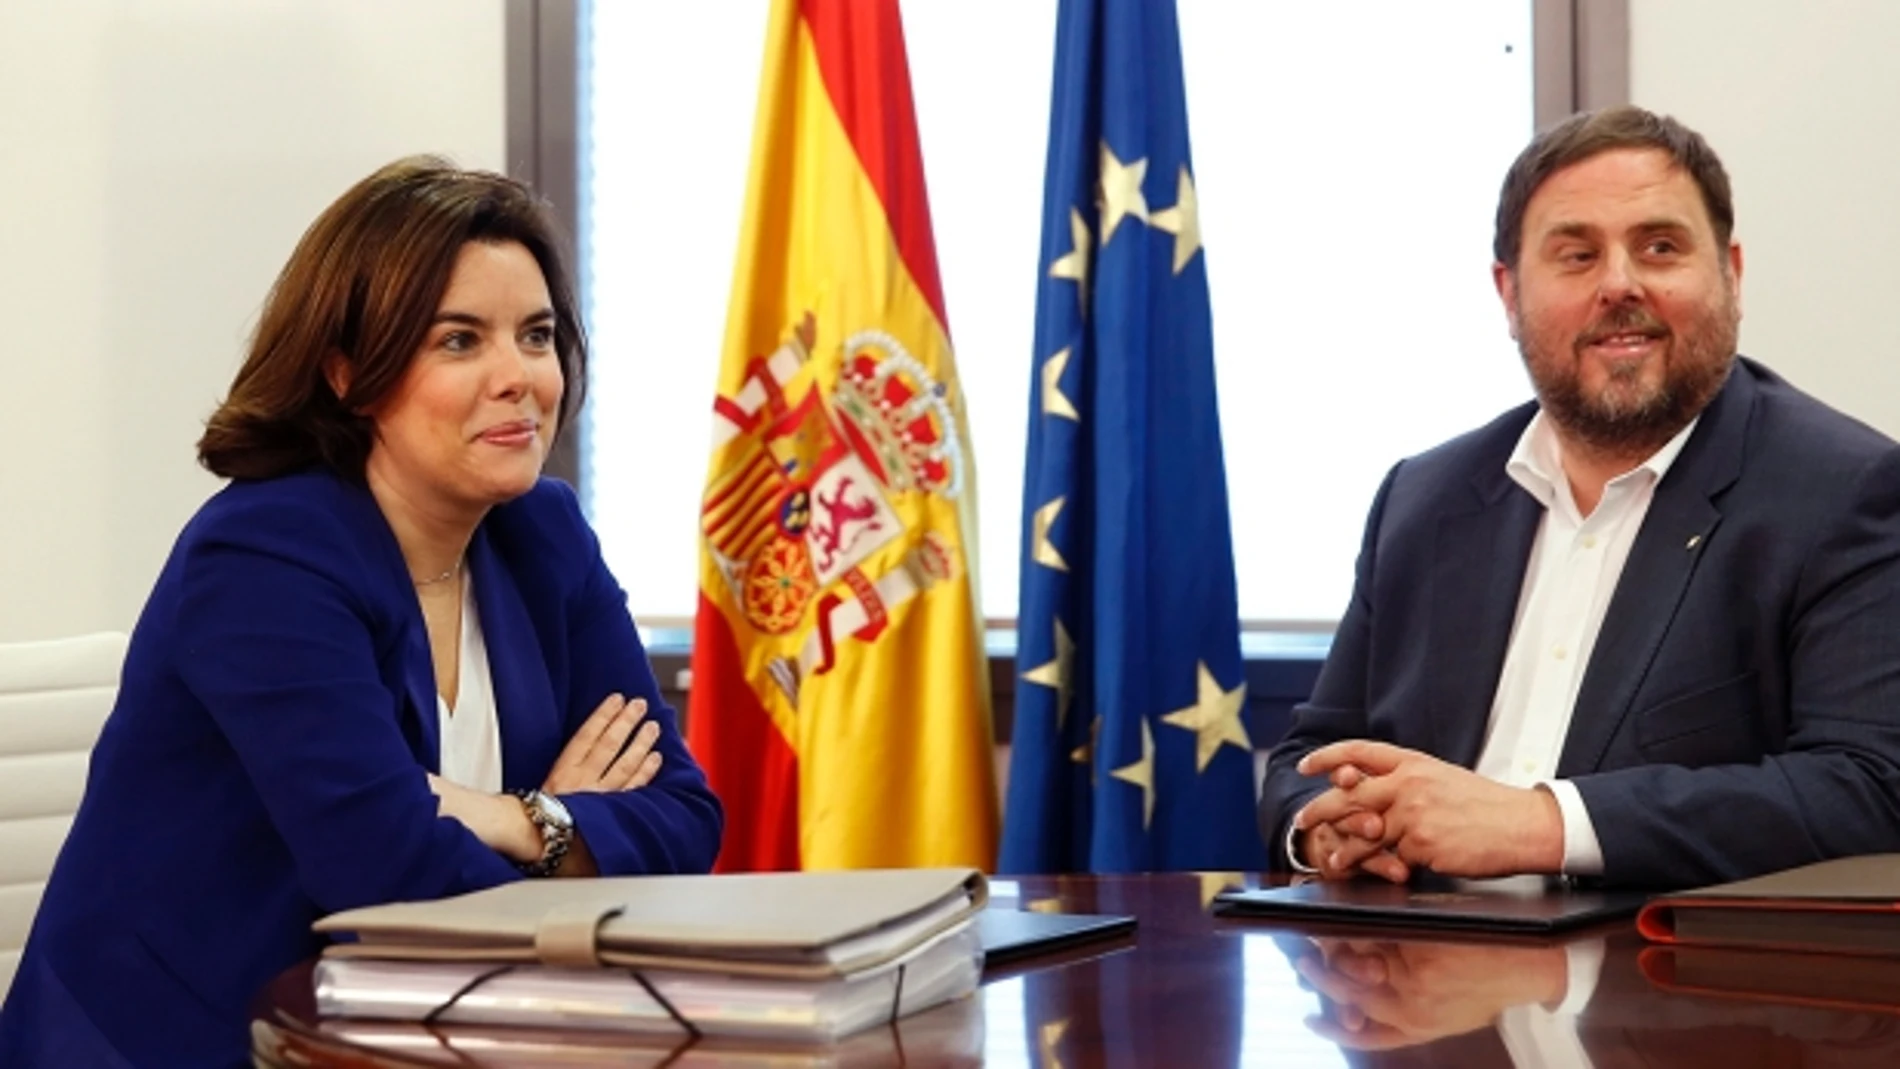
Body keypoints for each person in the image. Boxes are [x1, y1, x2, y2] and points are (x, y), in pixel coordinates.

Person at [0, 158, 724, 1066]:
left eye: (535, 335)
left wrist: (513, 816)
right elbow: (389, 879)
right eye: (460, 340)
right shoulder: (267, 554)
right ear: (349, 373)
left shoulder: (546, 534)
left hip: (439, 1030)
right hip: (198, 1039)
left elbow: (688, 816)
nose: (518, 376)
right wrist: (571, 839)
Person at [1259, 105, 1900, 889]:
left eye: (1660, 248)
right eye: (1576, 255)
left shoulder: (1845, 491)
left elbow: (1871, 786)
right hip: (1407, 976)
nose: (1620, 284)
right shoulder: (1423, 498)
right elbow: (1313, 753)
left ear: (1731, 274)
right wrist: (1327, 827)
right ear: (1509, 293)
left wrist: (1541, 823)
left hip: (1659, 989)